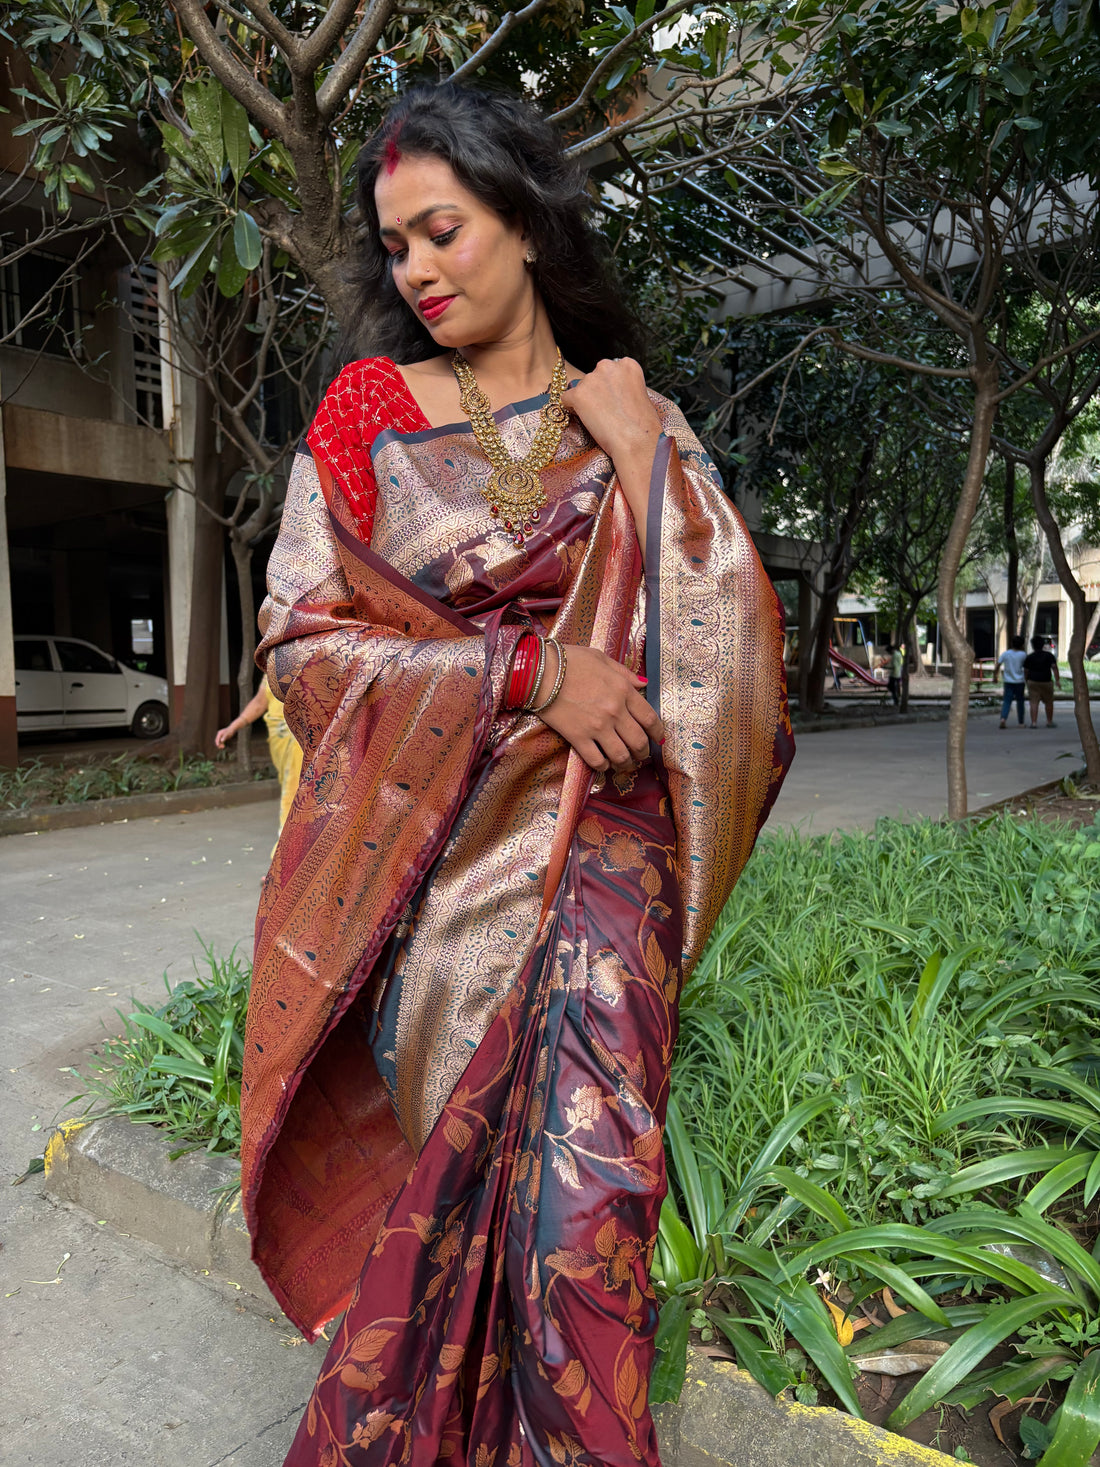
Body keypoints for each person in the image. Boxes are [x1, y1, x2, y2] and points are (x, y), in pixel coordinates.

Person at [242, 84, 793, 1467]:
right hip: (438, 878)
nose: (418, 269)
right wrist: (527, 672)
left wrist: (647, 451)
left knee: (578, 1215)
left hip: (609, 866)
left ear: (530, 222)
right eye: (398, 246)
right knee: (450, 1218)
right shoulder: (372, 411)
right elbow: (306, 643)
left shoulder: (631, 412)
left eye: (444, 231)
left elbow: (735, 653)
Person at [215, 683, 304, 836]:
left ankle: (289, 845)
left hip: (303, 739)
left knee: (295, 789)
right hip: (280, 738)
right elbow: (259, 702)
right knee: (291, 786)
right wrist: (232, 727)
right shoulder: (272, 666)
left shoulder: (319, 663)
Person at [1024, 634, 1061, 727]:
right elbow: (1054, 668)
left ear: (1032, 646)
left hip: (1033, 681)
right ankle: (1049, 721)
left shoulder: (1029, 657)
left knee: (1033, 702)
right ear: (1043, 645)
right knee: (1049, 702)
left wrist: (1026, 680)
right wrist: (1057, 680)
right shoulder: (1049, 656)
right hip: (1046, 681)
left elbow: (1026, 671)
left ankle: (1034, 722)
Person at [995, 634, 1027, 728]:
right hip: (1020, 681)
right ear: (1022, 645)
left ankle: (1003, 719)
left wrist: (995, 676)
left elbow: (998, 664)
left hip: (1008, 681)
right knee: (1020, 702)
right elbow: (1026, 668)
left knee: (1007, 701)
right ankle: (1021, 722)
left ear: (1012, 644)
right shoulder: (1023, 655)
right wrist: (1026, 678)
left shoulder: (1006, 653)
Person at [888, 643, 904, 707]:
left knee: (891, 687)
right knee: (897, 686)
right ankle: (897, 697)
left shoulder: (894, 655)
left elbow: (894, 666)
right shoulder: (899, 654)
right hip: (899, 673)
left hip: (894, 674)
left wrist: (888, 668)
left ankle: (895, 699)